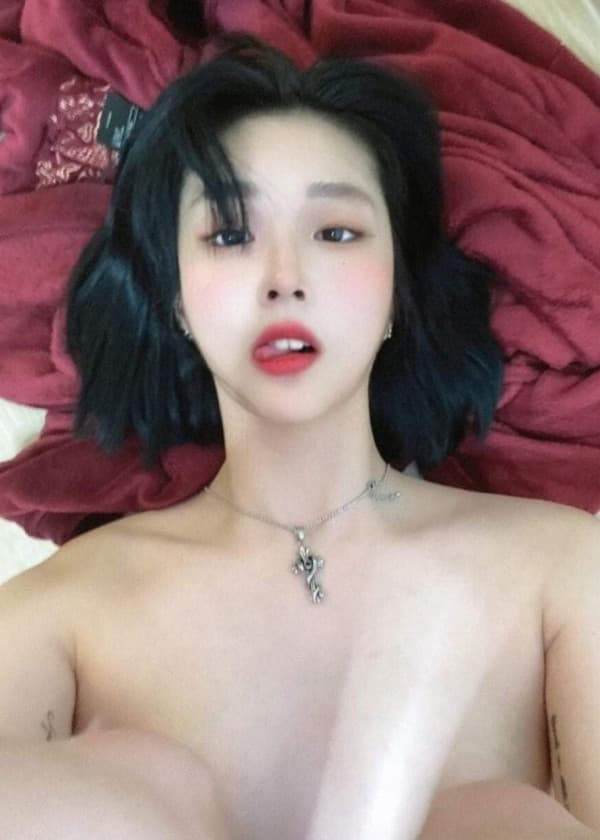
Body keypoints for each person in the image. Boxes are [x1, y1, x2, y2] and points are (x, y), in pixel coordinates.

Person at [1, 33, 599, 840]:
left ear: (397, 293)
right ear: (177, 302)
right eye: (229, 234)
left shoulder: (562, 571)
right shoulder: (62, 613)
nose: (284, 278)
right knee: (133, 793)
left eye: (336, 232)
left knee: (500, 821)